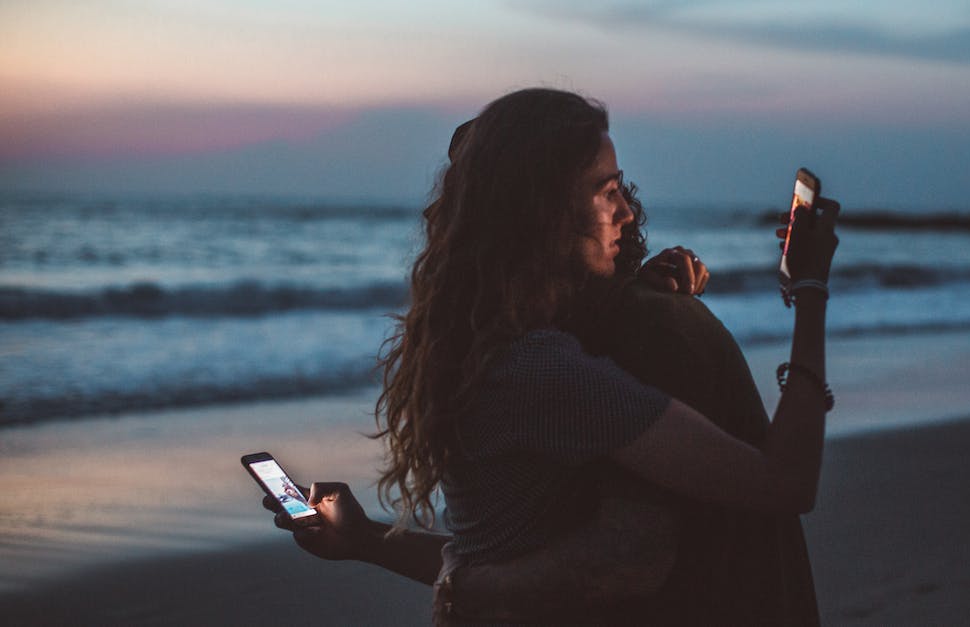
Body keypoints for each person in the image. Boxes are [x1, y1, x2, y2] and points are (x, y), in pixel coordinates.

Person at [264, 87, 839, 624]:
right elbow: (785, 483)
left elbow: (483, 560)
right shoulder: (544, 372)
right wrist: (810, 294)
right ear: (544, 212)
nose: (629, 212)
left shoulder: (479, 346)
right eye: (607, 191)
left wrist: (365, 541)